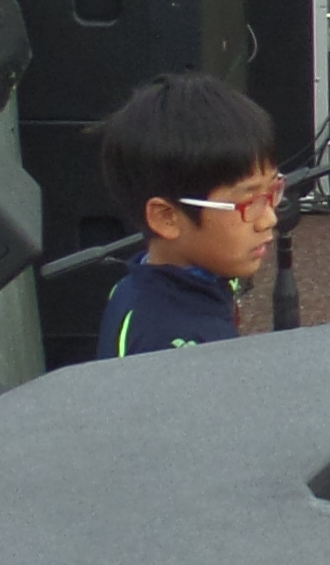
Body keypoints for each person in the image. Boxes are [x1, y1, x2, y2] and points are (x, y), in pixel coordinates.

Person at [91, 71, 278, 359]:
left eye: (272, 192)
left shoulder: (137, 286)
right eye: (248, 202)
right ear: (167, 218)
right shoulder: (173, 349)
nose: (269, 219)